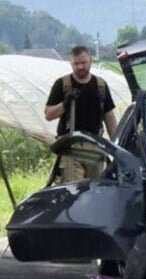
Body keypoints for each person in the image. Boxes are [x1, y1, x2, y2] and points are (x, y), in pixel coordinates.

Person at [44, 45, 118, 181]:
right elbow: (49, 114)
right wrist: (65, 104)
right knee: (74, 193)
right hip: (70, 148)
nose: (80, 67)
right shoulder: (62, 84)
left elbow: (109, 117)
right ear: (71, 63)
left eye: (83, 63)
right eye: (76, 63)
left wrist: (117, 149)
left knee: (95, 193)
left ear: (90, 61)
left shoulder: (100, 85)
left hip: (95, 148)